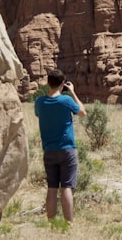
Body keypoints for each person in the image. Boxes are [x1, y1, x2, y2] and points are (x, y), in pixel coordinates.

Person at [34, 69, 86, 223]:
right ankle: (68, 223)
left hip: (49, 150)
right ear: (63, 84)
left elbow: (38, 114)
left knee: (51, 188)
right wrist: (73, 93)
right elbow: (82, 112)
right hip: (67, 149)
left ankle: (52, 223)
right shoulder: (66, 100)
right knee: (67, 187)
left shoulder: (39, 102)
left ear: (48, 82)